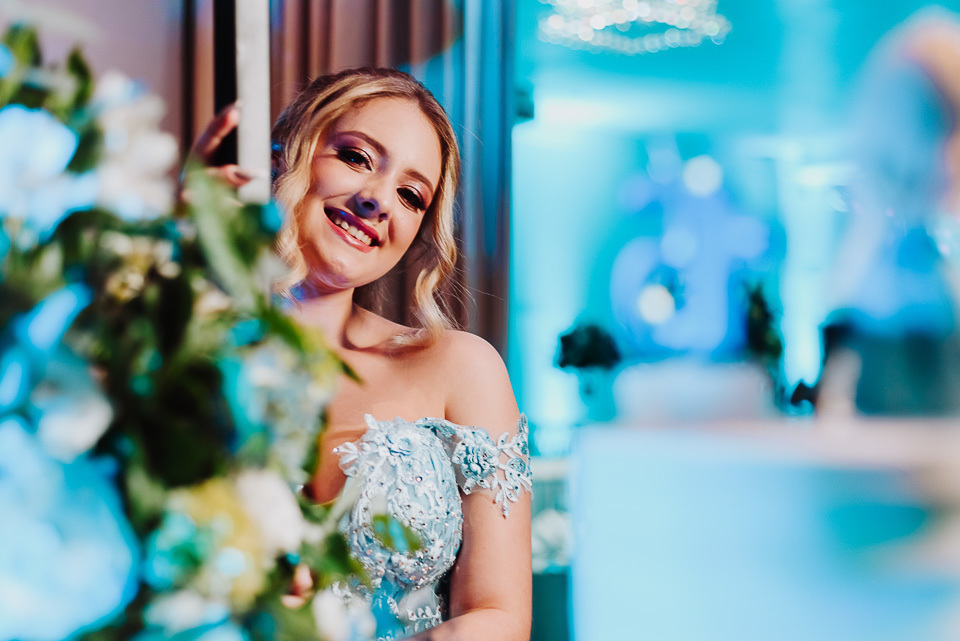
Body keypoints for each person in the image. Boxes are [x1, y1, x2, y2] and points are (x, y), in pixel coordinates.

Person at [192, 67, 532, 640]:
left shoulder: (460, 369)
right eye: (356, 157)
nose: (377, 200)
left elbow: (498, 618)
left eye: (410, 195)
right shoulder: (183, 348)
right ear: (288, 153)